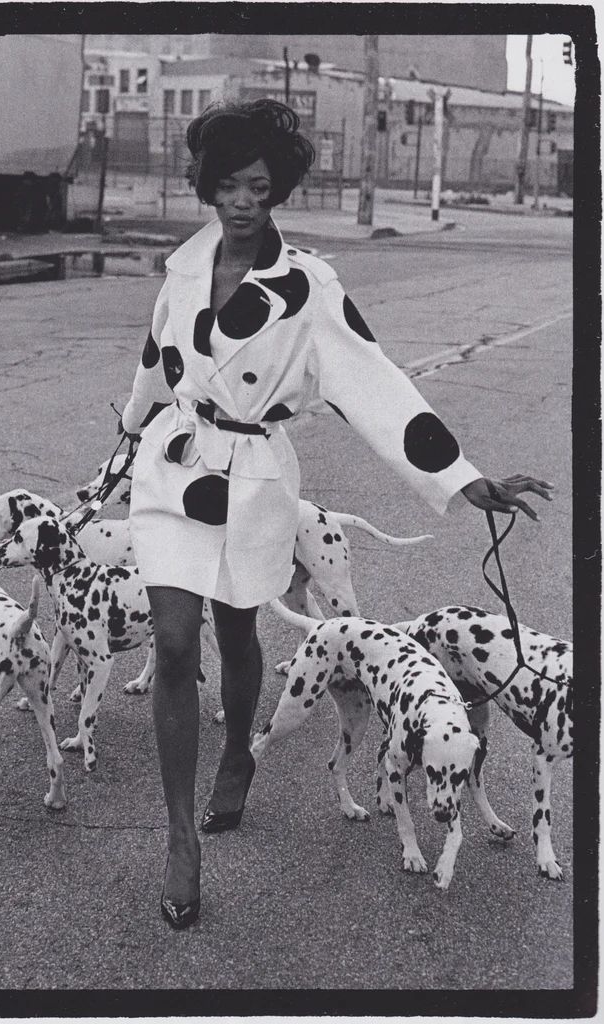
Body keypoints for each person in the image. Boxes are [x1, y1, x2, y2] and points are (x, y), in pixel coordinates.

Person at [121, 99, 553, 929]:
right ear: (208, 187)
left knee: (238, 631)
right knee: (174, 641)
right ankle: (181, 840)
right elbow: (155, 361)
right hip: (174, 471)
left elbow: (376, 385)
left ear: (275, 189)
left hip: (251, 479)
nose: (244, 202)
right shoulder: (182, 269)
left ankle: (240, 757)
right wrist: (126, 432)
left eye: (259, 186)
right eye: (229, 186)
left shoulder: (308, 286)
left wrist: (464, 477)